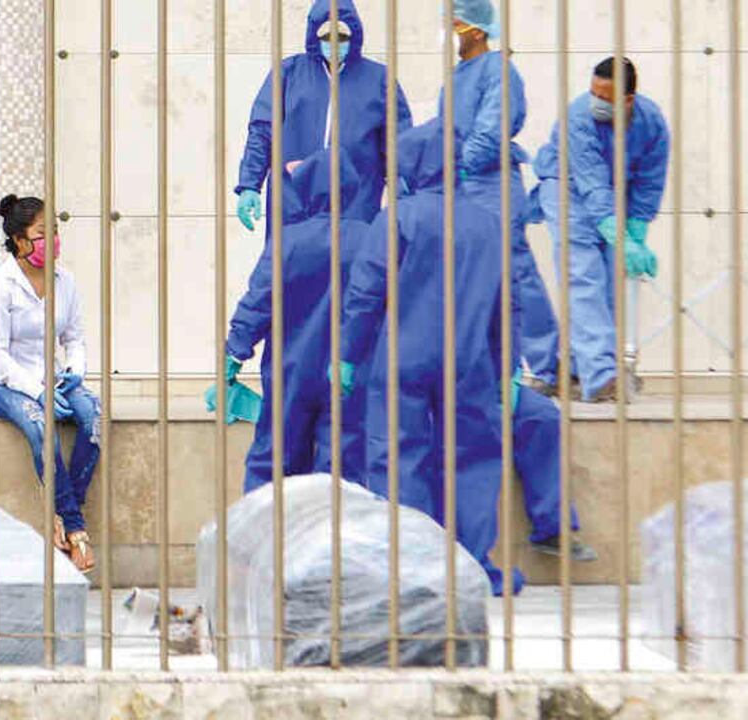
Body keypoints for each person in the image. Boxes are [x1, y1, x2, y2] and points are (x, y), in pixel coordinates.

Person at [336, 120, 592, 598]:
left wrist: (347, 355)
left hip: (404, 357)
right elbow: (508, 302)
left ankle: (411, 570)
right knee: (473, 461)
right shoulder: (488, 223)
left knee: (398, 458)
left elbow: (366, 293)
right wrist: (508, 366)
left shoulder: (398, 218)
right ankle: (471, 567)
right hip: (470, 360)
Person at [220, 147, 371, 493]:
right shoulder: (370, 239)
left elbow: (258, 301)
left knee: (274, 463)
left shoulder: (288, 241)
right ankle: (334, 527)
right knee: (342, 471)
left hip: (290, 370)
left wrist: (234, 353)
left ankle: (268, 526)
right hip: (349, 371)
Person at [531, 56, 670, 402]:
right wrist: (618, 233)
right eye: (593, 93)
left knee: (608, 284)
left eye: (605, 97)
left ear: (628, 99)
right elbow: (592, 184)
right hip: (567, 188)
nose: (596, 102)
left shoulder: (652, 124)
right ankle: (603, 377)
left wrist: (636, 233)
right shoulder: (579, 118)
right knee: (583, 277)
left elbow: (649, 181)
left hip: (611, 194)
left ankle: (573, 371)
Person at [440, 0, 560, 396]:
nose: (447, 29)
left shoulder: (498, 71)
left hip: (491, 183)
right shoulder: (456, 76)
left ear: (476, 30)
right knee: (467, 277)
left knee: (514, 272)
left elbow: (491, 130)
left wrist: (460, 165)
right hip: (461, 184)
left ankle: (547, 366)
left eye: (454, 22)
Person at [0, 195, 101, 573]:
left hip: (52, 377)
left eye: (56, 232)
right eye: (43, 233)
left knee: (94, 419)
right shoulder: (1, 284)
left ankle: (63, 514)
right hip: (3, 381)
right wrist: (38, 392)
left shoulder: (66, 281)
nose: (54, 241)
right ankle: (76, 530)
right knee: (41, 427)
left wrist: (75, 369)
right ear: (19, 240)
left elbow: (74, 338)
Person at [234, 0, 412, 237]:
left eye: (342, 36)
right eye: (327, 36)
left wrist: (402, 185)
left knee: (351, 257)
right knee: (292, 256)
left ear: (354, 35)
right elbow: (263, 130)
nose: (334, 43)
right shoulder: (289, 73)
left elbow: (398, 139)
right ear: (315, 35)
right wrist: (249, 184)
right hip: (293, 200)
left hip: (357, 203)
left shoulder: (378, 79)